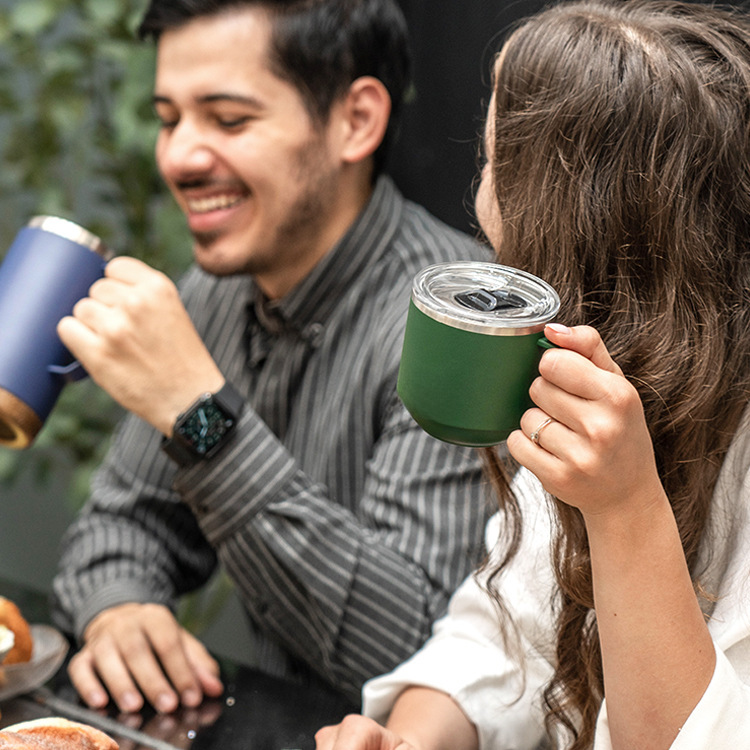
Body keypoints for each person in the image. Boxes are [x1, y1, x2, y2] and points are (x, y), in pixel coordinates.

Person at [314, 0, 750, 748]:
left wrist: (627, 511)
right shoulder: (594, 384)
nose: (479, 200)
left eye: (491, 165)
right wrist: (412, 739)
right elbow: (502, 635)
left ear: (576, 224)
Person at [50, 0, 490, 716]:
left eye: (228, 120)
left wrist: (201, 413)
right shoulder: (213, 295)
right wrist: (118, 609)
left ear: (356, 121)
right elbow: (119, 526)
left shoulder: (458, 334)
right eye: (168, 119)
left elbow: (416, 661)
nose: (179, 157)